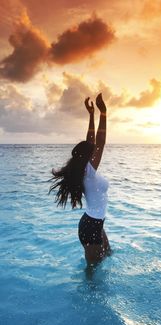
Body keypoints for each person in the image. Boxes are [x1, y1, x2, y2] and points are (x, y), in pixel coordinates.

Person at [49, 93, 111, 266]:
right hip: (91, 226)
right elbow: (100, 141)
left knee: (109, 255)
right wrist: (103, 114)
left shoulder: (83, 169)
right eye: (91, 150)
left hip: (95, 223)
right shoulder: (88, 171)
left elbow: (91, 141)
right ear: (86, 155)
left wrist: (92, 115)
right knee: (92, 273)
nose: (94, 149)